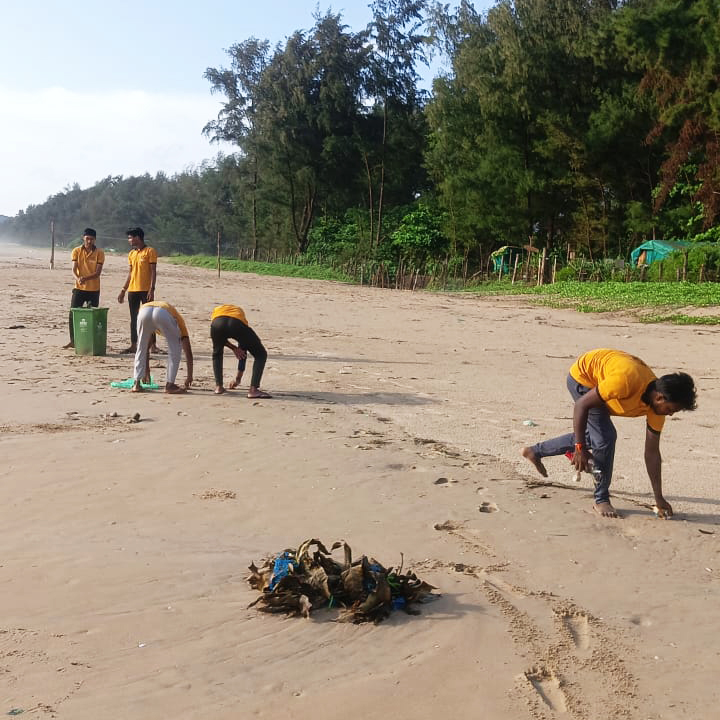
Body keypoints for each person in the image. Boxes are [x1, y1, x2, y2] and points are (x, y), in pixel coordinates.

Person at [521, 348, 697, 519]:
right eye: (671, 409)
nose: (671, 414)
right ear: (660, 398)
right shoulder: (626, 381)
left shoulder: (657, 409)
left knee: (597, 436)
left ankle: (534, 451)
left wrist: (658, 498)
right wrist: (579, 448)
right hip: (583, 378)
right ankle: (601, 499)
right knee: (605, 438)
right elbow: (582, 404)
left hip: (605, 383)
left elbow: (652, 453)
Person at [210, 304, 271, 398]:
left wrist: (233, 348)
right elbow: (243, 352)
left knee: (217, 353)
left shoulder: (217, 311)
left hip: (216, 324)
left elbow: (220, 340)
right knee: (261, 354)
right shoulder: (239, 312)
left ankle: (219, 387)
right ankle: (253, 390)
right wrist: (238, 379)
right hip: (236, 324)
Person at [132, 301, 193, 394]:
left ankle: (136, 384)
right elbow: (188, 352)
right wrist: (189, 377)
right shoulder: (179, 323)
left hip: (144, 310)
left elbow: (146, 348)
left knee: (141, 346)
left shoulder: (153, 326)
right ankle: (170, 385)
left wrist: (145, 370)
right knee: (175, 347)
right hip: (163, 313)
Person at [117, 227, 158, 354]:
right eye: (129, 237)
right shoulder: (132, 254)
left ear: (138, 237)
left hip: (146, 290)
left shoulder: (150, 251)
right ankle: (134, 344)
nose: (129, 240)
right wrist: (123, 290)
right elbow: (131, 273)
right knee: (134, 318)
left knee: (149, 318)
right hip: (133, 290)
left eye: (131, 237)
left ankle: (153, 345)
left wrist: (152, 289)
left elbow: (153, 272)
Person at [64, 228, 104, 349]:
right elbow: (73, 269)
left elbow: (97, 273)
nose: (89, 241)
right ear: (83, 238)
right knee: (73, 314)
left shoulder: (99, 253)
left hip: (93, 289)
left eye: (92, 239)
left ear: (95, 239)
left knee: (93, 316)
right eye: (87, 239)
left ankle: (91, 339)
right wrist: (78, 278)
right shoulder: (76, 251)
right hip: (79, 288)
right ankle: (73, 340)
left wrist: (85, 278)